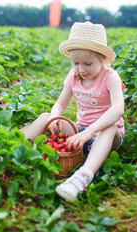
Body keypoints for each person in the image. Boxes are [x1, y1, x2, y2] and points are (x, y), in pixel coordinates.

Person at [20, 21, 125, 202]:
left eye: (88, 63)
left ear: (103, 59)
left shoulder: (110, 77)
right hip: (80, 132)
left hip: (106, 137)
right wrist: (54, 117)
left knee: (109, 128)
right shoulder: (73, 76)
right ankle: (12, 146)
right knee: (45, 117)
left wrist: (91, 131)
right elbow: (60, 105)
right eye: (76, 63)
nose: (81, 69)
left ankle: (81, 178)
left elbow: (118, 109)